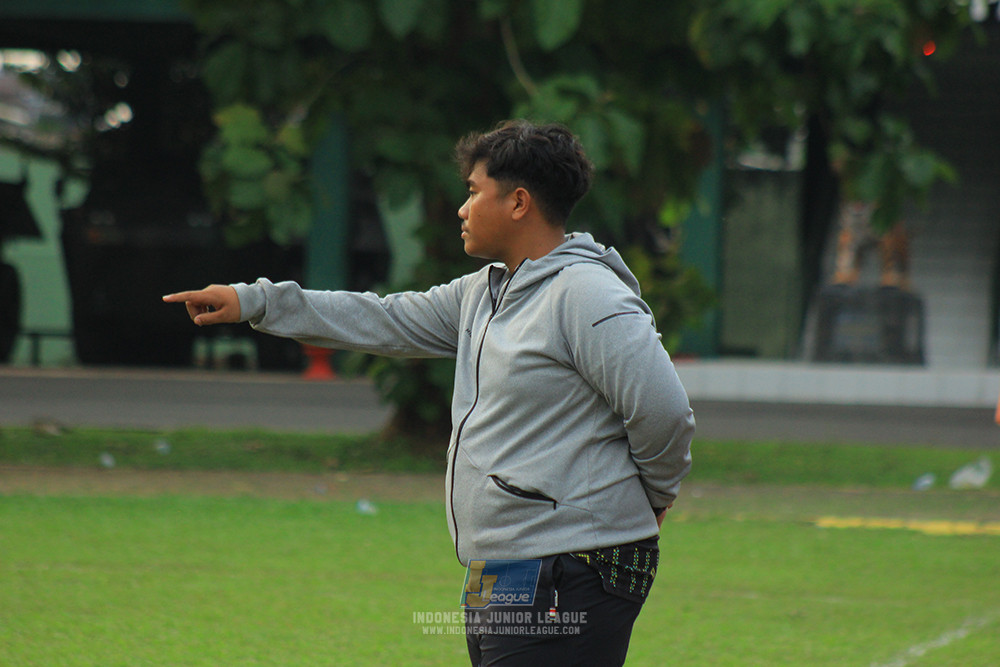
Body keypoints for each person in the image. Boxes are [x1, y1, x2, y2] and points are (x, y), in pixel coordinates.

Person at [164, 119, 695, 666]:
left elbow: (664, 412)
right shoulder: (484, 293)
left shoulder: (586, 294)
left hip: (570, 565)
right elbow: (382, 319)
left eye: (472, 192)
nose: (462, 209)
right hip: (498, 564)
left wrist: (653, 496)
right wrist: (253, 301)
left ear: (518, 202)